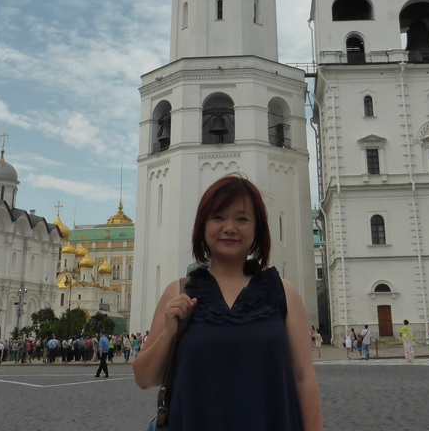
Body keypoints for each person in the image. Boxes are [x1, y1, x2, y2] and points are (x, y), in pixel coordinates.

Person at [133, 174, 323, 431]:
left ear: (257, 230)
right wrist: (169, 332)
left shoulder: (284, 294)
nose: (230, 227)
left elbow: (304, 379)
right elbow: (144, 378)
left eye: (242, 219)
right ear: (202, 226)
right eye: (218, 217)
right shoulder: (179, 292)